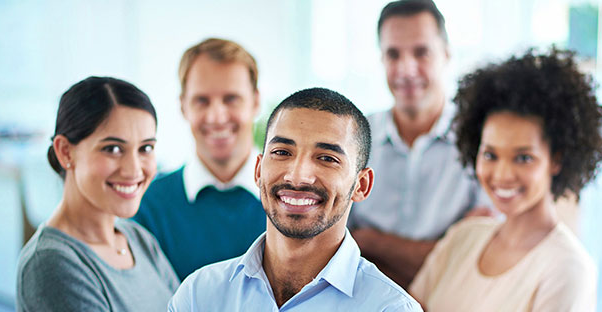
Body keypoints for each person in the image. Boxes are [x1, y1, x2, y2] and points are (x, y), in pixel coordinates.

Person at [168, 88, 422, 311]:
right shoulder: (198, 296)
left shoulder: (391, 308)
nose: (298, 176)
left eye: (327, 158)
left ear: (361, 185)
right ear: (258, 171)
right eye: (282, 152)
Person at [409, 48, 602, 311]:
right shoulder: (462, 238)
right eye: (490, 154)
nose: (502, 175)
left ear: (557, 160)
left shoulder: (568, 269)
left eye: (523, 158)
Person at [349, 0, 490, 288]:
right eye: (393, 54)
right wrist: (438, 252)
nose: (406, 69)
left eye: (421, 52)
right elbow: (332, 251)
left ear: (447, 55)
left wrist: (369, 241)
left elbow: (470, 260)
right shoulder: (353, 135)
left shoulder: (483, 141)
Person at [16, 77, 179, 312]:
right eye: (113, 149)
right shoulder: (50, 264)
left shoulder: (138, 239)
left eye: (145, 148)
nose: (134, 169)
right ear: (65, 152)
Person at [133, 38, 266, 281]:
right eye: (202, 101)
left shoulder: (293, 198)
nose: (216, 117)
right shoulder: (147, 206)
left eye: (231, 99)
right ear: (183, 106)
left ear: (256, 101)